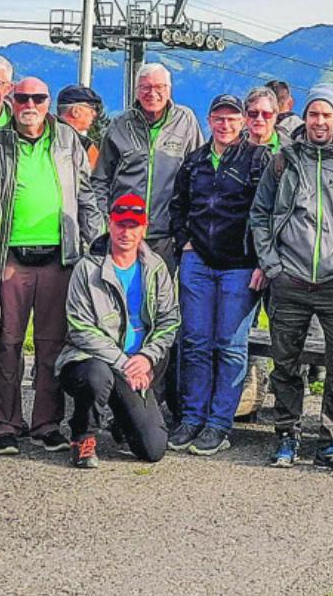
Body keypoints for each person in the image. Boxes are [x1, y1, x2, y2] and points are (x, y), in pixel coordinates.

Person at [249, 83, 333, 473]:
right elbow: (260, 215)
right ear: (305, 117)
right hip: (290, 280)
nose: (320, 121)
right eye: (314, 114)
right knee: (286, 365)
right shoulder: (283, 160)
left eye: (327, 114)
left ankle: (332, 443)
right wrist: (272, 266)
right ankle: (286, 435)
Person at [0, 77, 103, 455]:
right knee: (6, 344)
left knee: (52, 345)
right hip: (10, 259)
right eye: (22, 98)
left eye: (38, 97)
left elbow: (86, 193)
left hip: (59, 256)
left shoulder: (68, 140)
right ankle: (4, 423)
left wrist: (95, 243)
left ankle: (46, 423)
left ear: (49, 101)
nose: (29, 104)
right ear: (12, 101)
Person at [164, 93, 270, 455]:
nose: (225, 125)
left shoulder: (257, 159)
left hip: (239, 266)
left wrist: (262, 261)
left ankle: (219, 424)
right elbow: (177, 206)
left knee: (229, 344)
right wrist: (183, 242)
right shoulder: (194, 161)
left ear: (243, 123)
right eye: (219, 118)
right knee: (194, 341)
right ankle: (191, 418)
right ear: (209, 120)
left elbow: (265, 212)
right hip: (198, 263)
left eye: (232, 119)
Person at [57, 193, 180, 468]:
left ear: (144, 228)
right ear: (109, 225)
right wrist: (125, 362)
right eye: (120, 224)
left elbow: (169, 321)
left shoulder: (156, 268)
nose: (126, 232)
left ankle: (122, 422)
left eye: (133, 226)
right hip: (91, 362)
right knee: (97, 376)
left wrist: (147, 358)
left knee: (153, 450)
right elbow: (80, 329)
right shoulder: (87, 269)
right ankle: (83, 436)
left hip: (137, 364)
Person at [93, 62, 202, 265]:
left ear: (169, 90)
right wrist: (106, 220)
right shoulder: (119, 125)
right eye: (145, 87)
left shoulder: (185, 121)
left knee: (160, 293)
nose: (152, 93)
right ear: (137, 91)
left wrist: (187, 227)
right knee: (125, 293)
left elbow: (198, 174)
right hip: (125, 231)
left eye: (159, 87)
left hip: (167, 235)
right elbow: (100, 179)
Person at [56, 82, 106, 168]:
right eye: (92, 108)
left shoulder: (40, 135)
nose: (94, 114)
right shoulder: (84, 145)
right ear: (75, 111)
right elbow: (98, 177)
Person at [242, 87, 284, 152]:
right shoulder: (230, 147)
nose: (259, 119)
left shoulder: (291, 152)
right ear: (245, 115)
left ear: (275, 116)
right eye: (253, 113)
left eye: (266, 114)